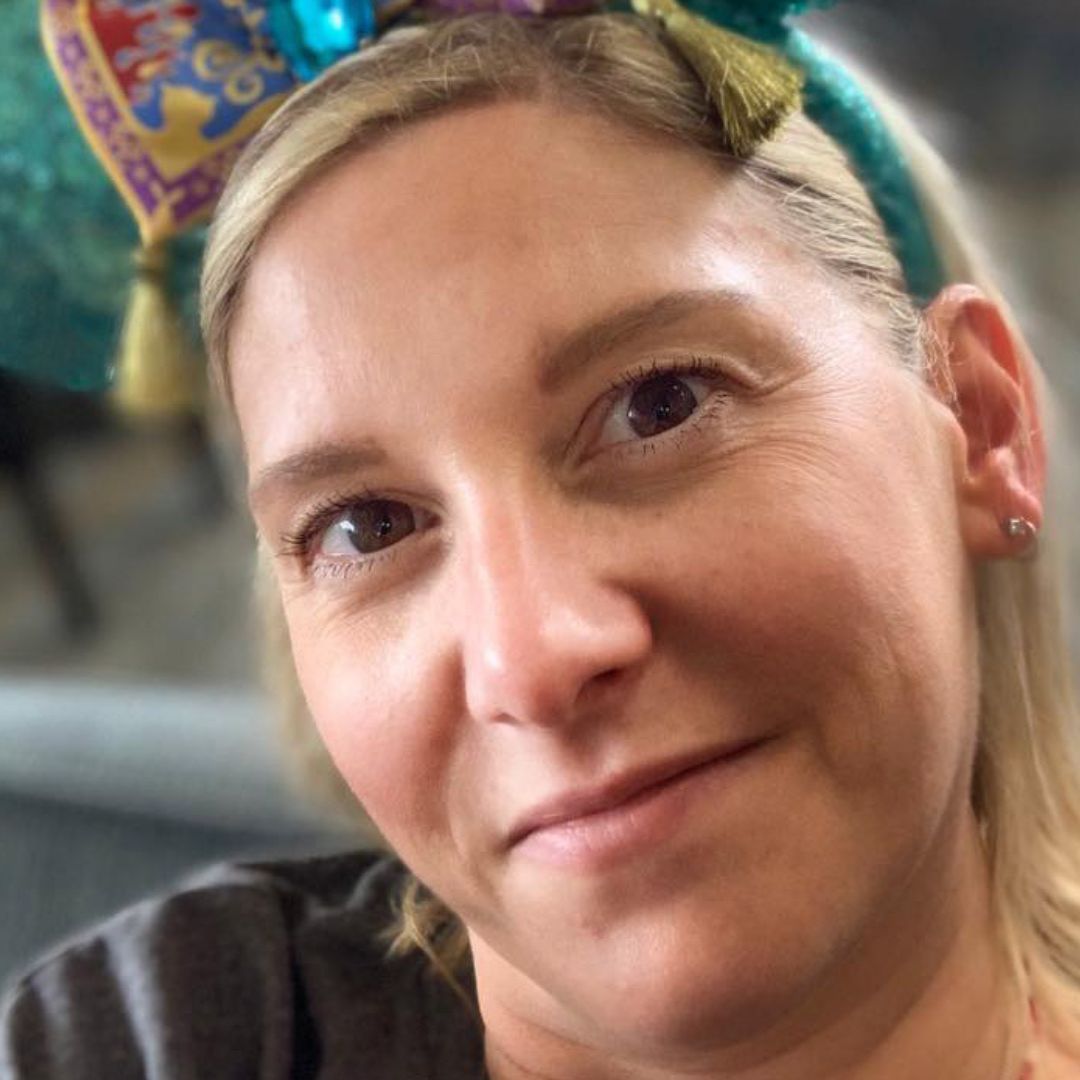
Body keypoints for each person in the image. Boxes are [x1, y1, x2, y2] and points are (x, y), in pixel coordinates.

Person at [4, 5, 1080, 1078]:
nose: (530, 659)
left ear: (981, 423)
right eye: (367, 525)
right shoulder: (166, 1039)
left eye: (659, 405)